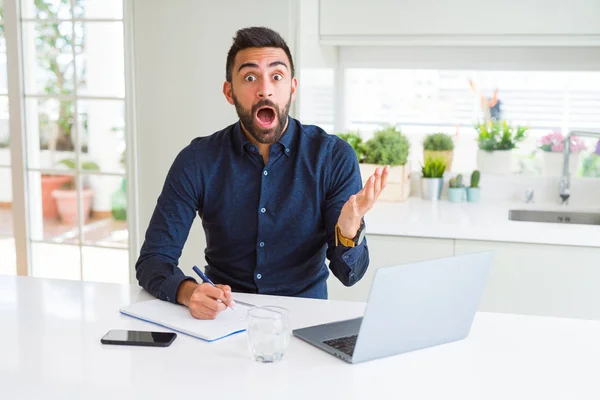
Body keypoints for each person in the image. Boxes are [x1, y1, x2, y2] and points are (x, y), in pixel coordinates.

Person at [135, 26, 389, 320]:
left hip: (304, 320)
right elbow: (153, 260)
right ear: (230, 92)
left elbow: (350, 274)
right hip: (225, 317)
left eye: (276, 76)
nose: (265, 89)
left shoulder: (333, 157)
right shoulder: (197, 160)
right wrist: (188, 291)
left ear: (292, 88)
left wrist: (347, 230)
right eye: (250, 77)